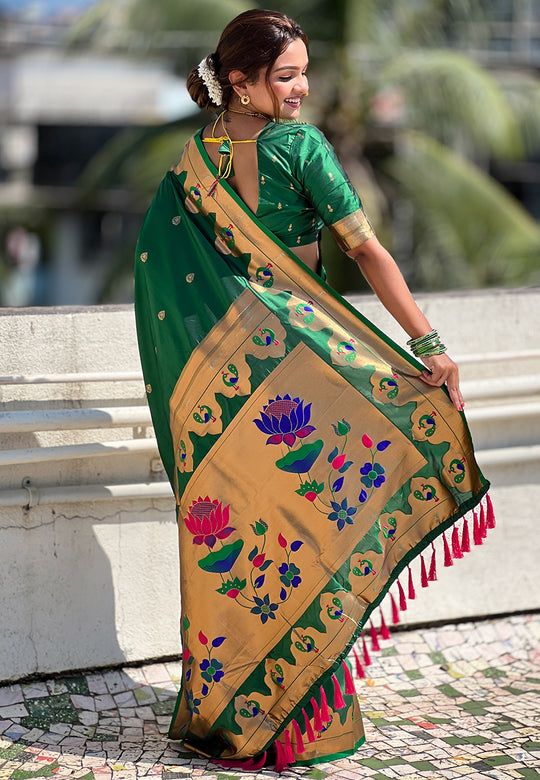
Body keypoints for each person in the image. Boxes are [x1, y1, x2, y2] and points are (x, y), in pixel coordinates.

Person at [134, 8, 491, 771]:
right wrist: (428, 345)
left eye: (304, 72)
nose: (302, 89)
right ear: (240, 82)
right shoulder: (299, 147)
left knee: (238, 538)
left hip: (222, 388)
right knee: (309, 533)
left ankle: (229, 720)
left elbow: (171, 280)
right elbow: (363, 248)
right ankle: (303, 725)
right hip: (299, 371)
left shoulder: (195, 158)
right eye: (286, 75)